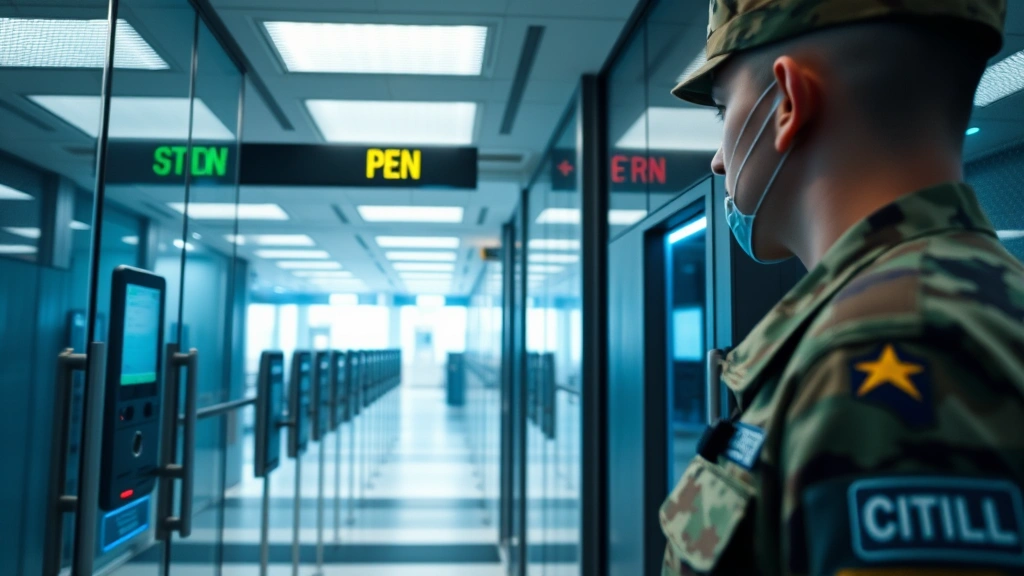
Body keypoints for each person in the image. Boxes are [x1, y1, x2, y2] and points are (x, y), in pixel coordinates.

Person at [660, 0, 1024, 574]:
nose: (717, 162)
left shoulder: (888, 350)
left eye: (723, 110)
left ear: (786, 104)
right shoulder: (969, 306)